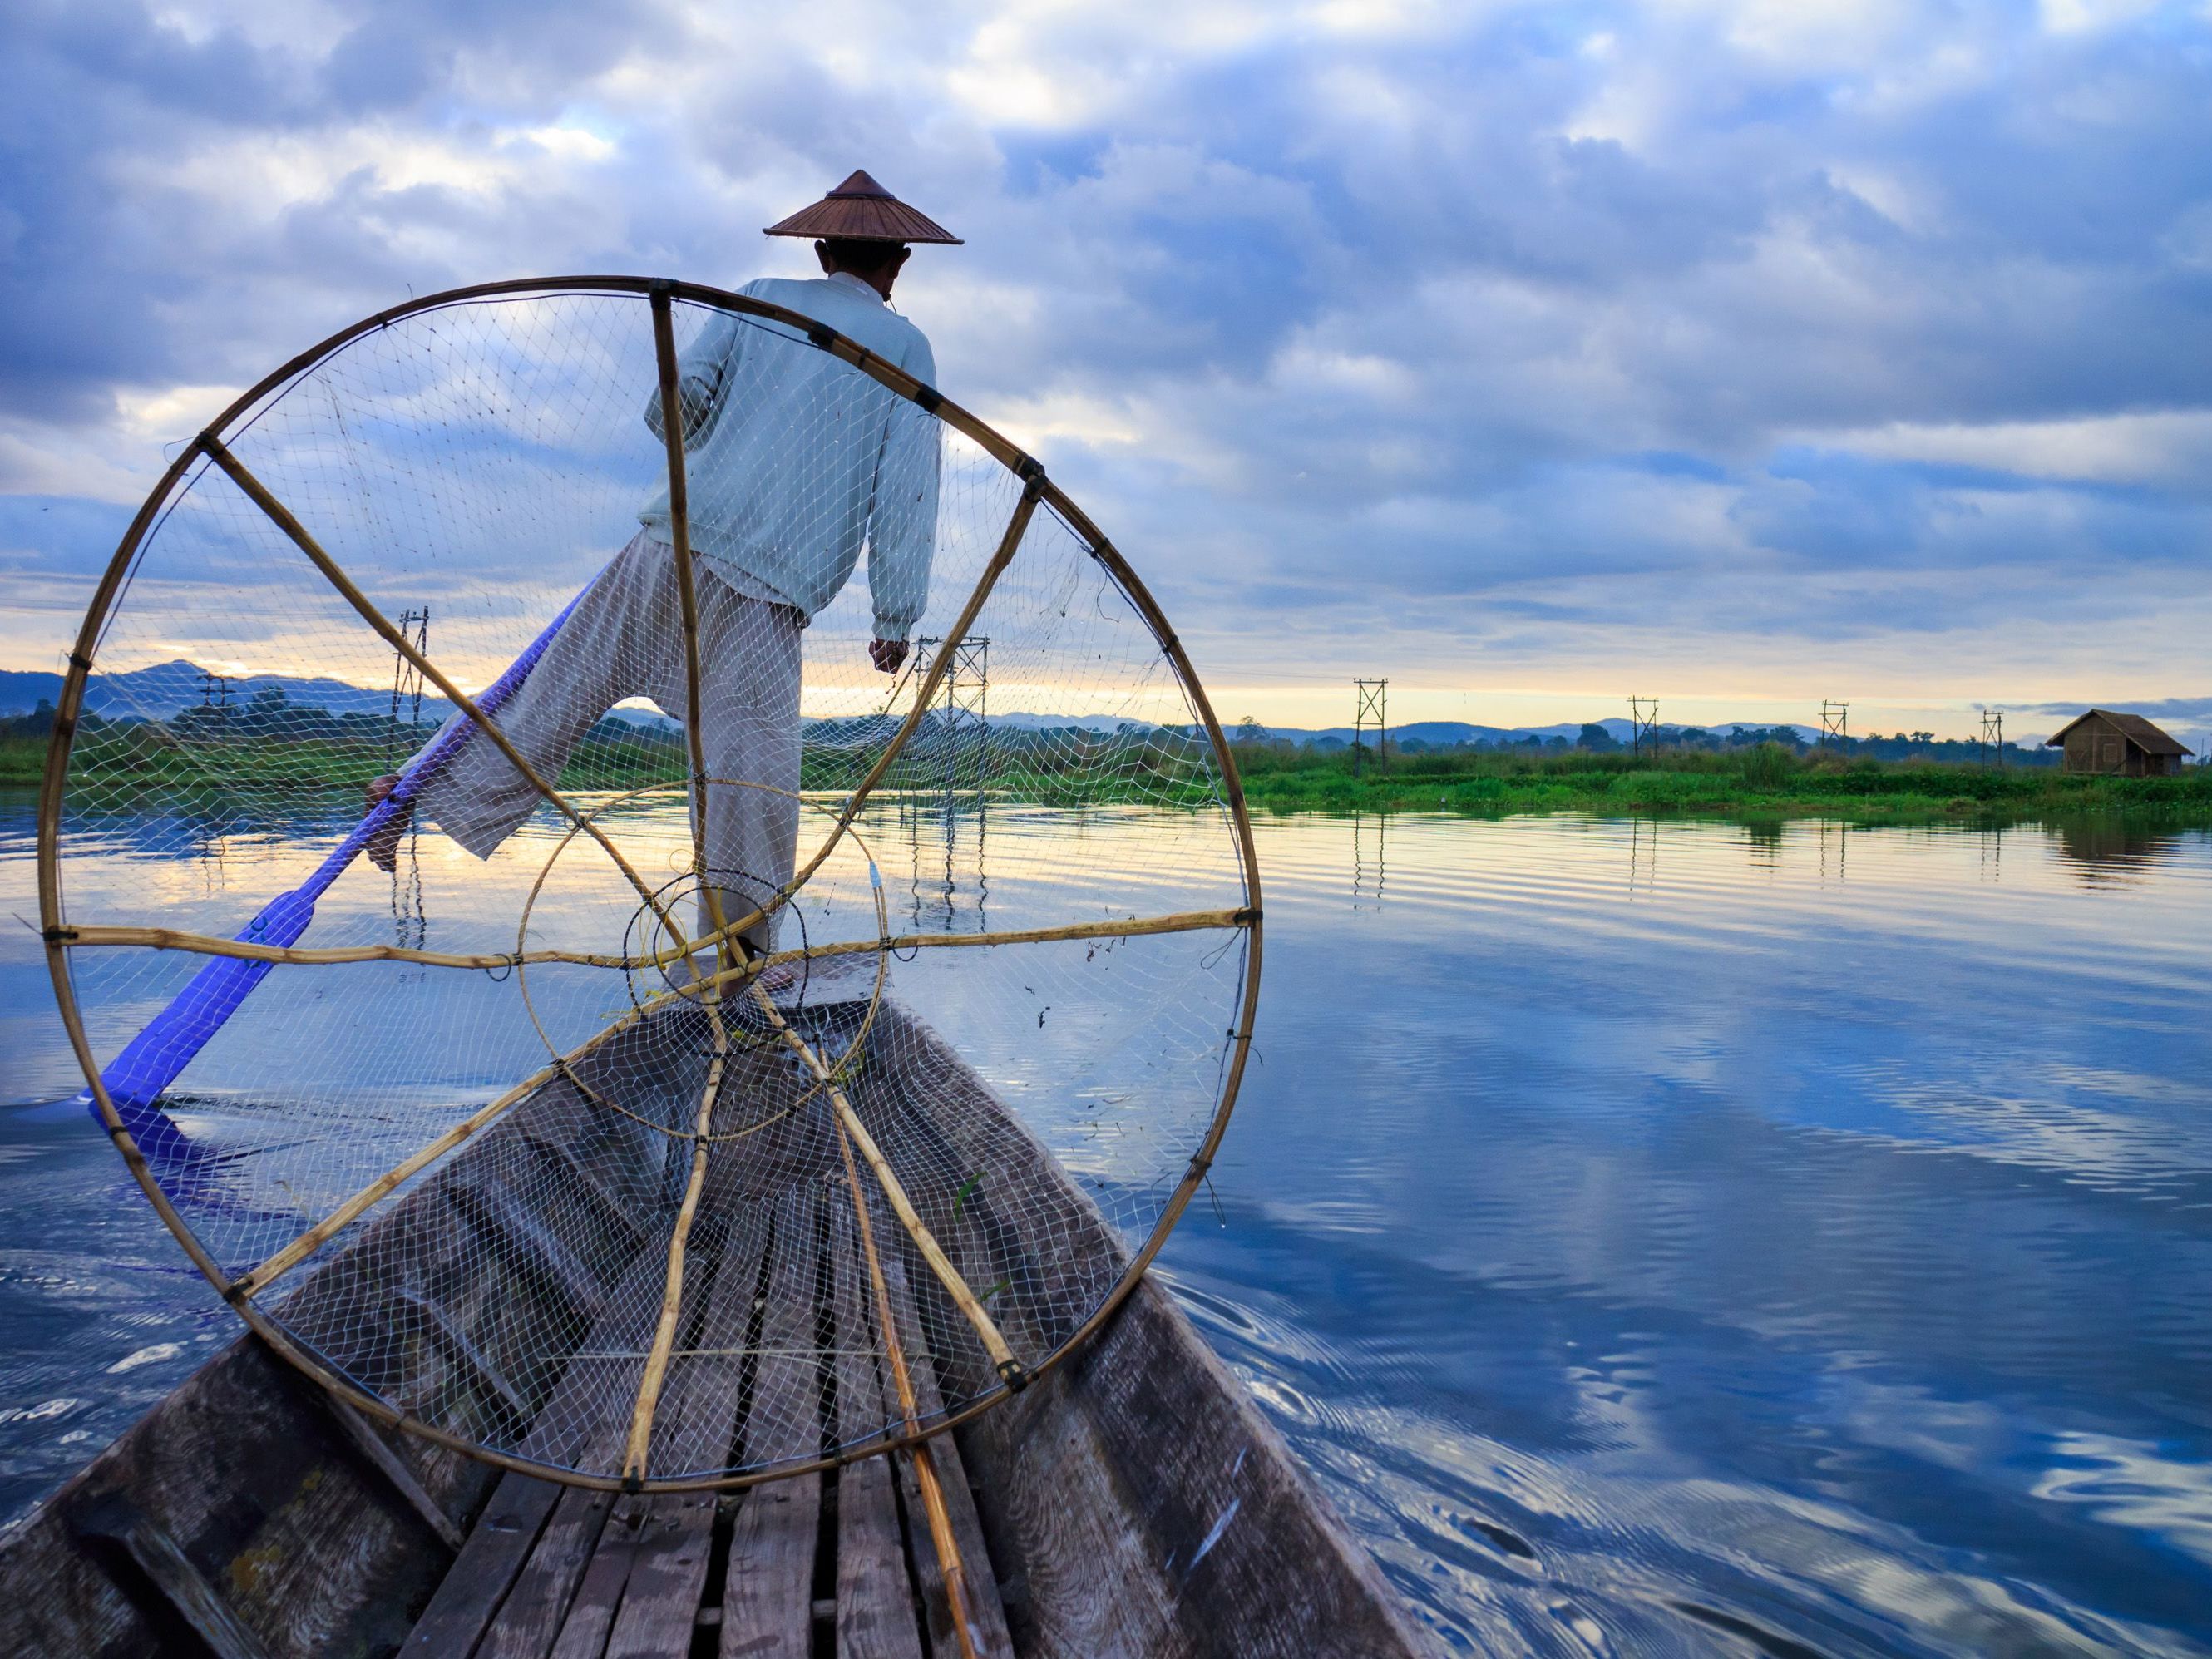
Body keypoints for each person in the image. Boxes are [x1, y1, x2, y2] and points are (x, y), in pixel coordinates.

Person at [367, 170, 961, 970]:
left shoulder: (758, 299)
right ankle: (738, 950)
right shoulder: (906, 347)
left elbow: (669, 409)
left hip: (669, 545)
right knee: (751, 779)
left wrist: (738, 435)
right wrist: (895, 617)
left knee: (550, 690)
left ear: (823, 252)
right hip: (768, 588)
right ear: (898, 264)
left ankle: (409, 792)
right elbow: (907, 494)